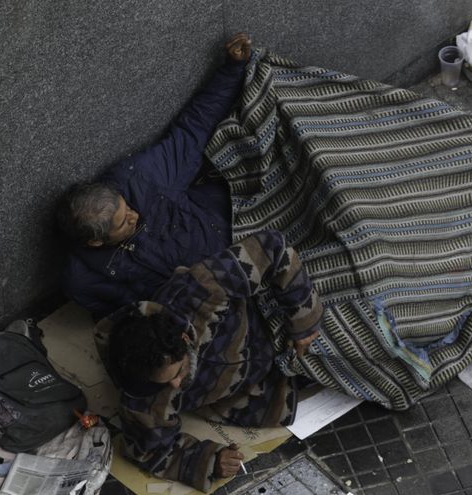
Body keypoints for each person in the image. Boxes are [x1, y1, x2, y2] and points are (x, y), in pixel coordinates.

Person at [94, 229, 322, 491]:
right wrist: (211, 460)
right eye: (166, 383)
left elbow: (272, 248)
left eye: (178, 372)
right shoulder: (142, 395)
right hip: (264, 391)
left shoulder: (197, 292)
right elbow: (148, 452)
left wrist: (303, 320)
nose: (178, 385)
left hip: (270, 320)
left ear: (184, 338)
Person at [57, 33, 252, 320]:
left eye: (127, 207)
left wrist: (233, 70)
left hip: (236, 232)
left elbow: (192, 130)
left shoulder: (138, 178)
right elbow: (131, 315)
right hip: (205, 306)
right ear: (96, 242)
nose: (134, 215)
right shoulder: (81, 279)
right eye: (124, 222)